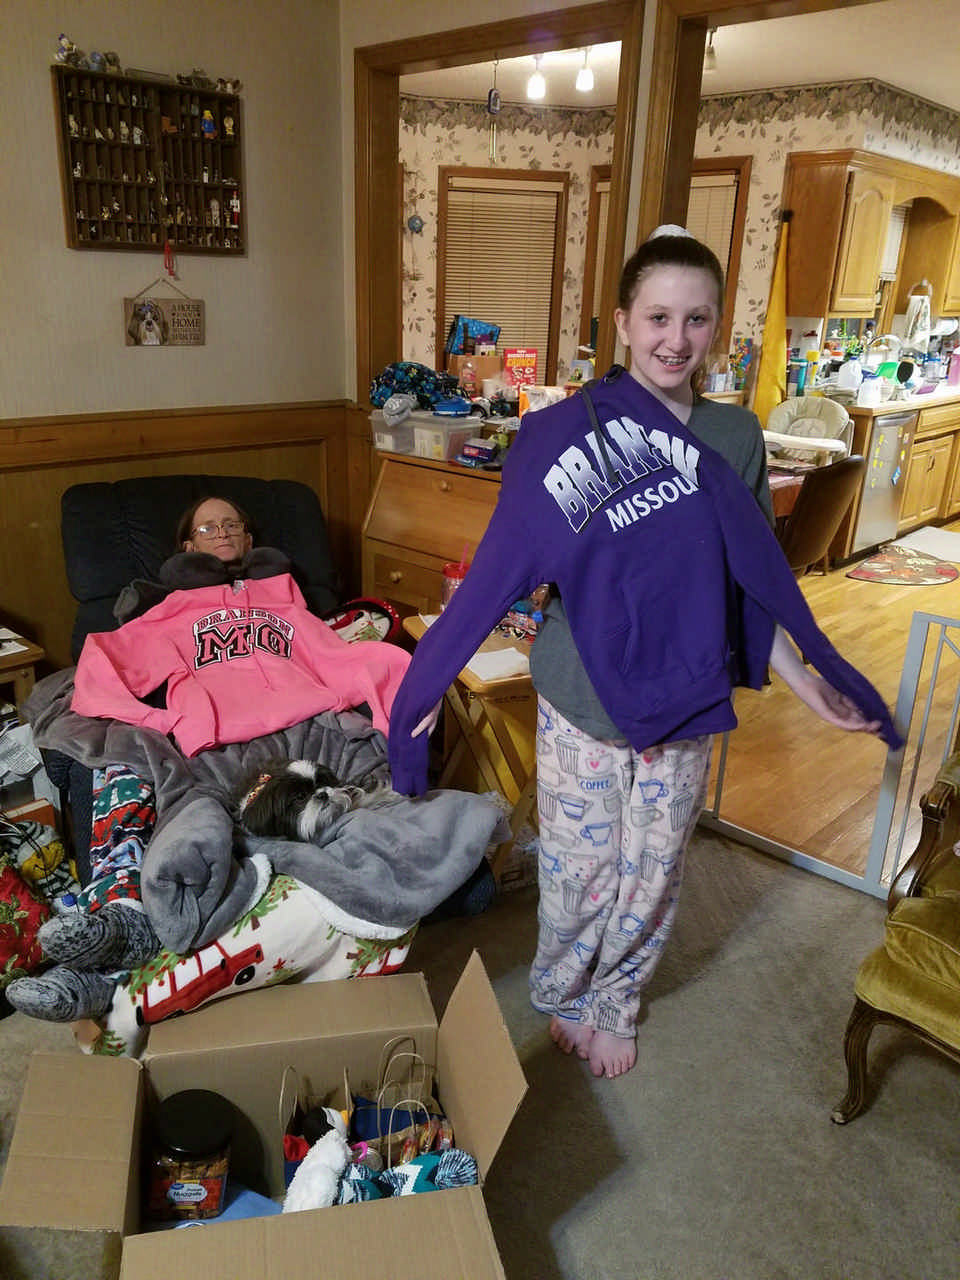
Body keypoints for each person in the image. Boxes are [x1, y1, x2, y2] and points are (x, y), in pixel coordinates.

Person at [386, 226, 901, 1080]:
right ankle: (563, 986)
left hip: (685, 698)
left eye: (696, 320)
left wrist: (812, 687)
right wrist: (423, 687)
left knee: (653, 869)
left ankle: (616, 1002)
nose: (676, 339)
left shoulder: (734, 437)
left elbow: (752, 581)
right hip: (578, 694)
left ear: (715, 327)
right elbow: (501, 569)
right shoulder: (556, 436)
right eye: (658, 316)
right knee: (580, 866)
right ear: (623, 322)